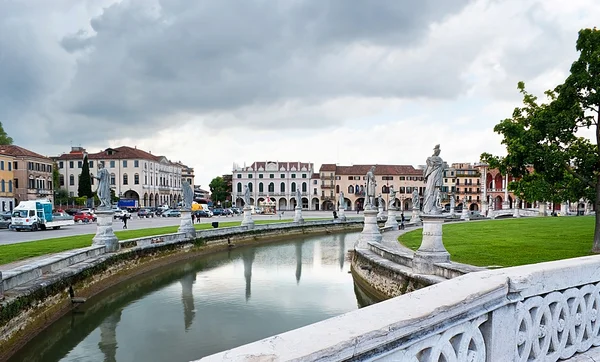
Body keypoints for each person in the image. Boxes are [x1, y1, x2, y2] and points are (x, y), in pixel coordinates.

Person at [423, 144, 445, 214]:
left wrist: (424, 176)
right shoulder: (436, 160)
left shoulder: (432, 159)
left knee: (433, 191)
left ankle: (431, 206)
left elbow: (426, 169)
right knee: (432, 191)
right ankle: (430, 207)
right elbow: (443, 168)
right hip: (434, 176)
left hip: (435, 176)